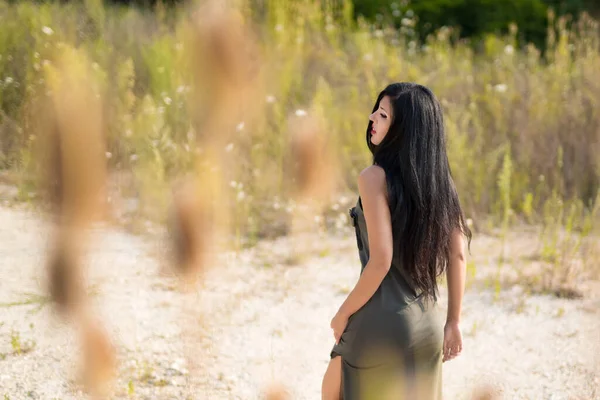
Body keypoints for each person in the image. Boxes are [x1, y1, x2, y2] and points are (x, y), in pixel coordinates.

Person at [321, 83, 471, 400]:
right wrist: (453, 321)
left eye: (383, 114)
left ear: (402, 129)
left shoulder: (374, 178)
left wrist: (342, 313)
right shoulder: (441, 183)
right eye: (377, 109)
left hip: (380, 322)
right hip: (428, 326)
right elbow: (458, 254)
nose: (372, 117)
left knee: (333, 389)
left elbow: (381, 260)